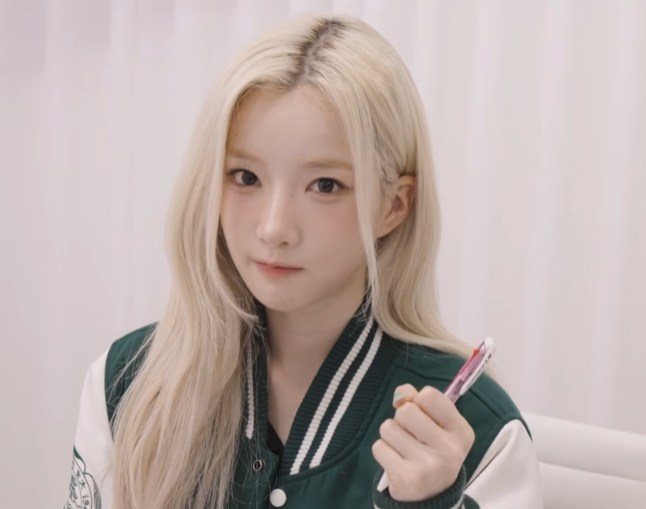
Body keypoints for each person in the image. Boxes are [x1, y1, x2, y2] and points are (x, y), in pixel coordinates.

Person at [64, 15, 542, 509]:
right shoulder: (127, 386)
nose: (274, 228)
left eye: (325, 186)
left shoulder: (481, 435)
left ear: (394, 205)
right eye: (245, 177)